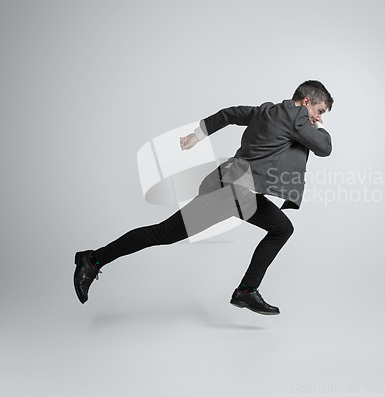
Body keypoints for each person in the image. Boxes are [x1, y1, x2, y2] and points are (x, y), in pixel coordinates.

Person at [74, 80, 333, 315]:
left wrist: (196, 136)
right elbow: (324, 147)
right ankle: (93, 259)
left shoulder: (266, 110)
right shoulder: (296, 116)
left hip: (238, 191)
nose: (317, 118)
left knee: (281, 227)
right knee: (162, 234)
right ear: (307, 102)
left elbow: (229, 114)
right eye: (319, 111)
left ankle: (246, 291)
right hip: (231, 193)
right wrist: (319, 127)